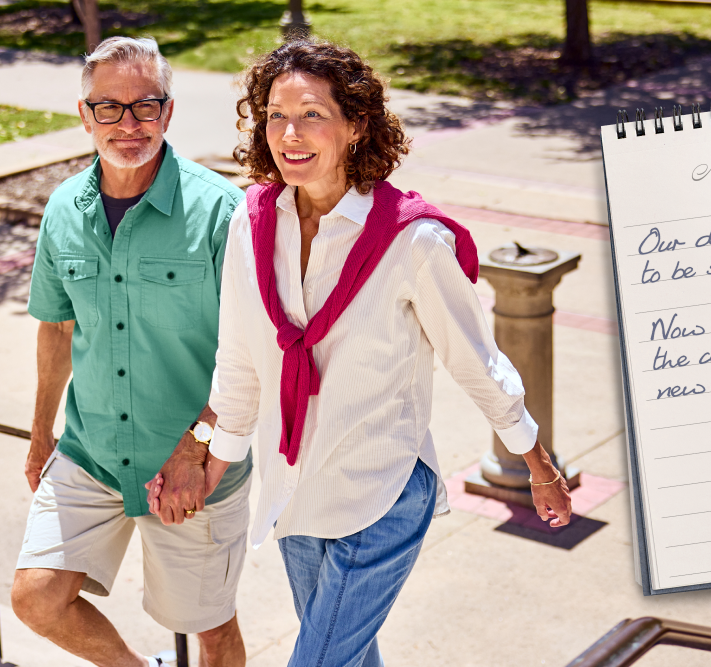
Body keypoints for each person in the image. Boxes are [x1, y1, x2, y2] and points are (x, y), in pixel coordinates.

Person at [153, 39, 574, 667]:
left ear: (356, 125)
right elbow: (241, 361)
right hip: (294, 492)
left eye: (312, 114)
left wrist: (537, 465)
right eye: (274, 115)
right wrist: (212, 462)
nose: (289, 134)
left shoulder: (414, 241)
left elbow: (476, 363)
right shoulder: (250, 223)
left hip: (381, 495)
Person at [14, 36, 253, 667]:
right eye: (109, 109)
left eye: (145, 106)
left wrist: (195, 446)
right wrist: (42, 433)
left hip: (193, 468)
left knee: (212, 630)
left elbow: (257, 351)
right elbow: (57, 329)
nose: (129, 124)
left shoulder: (223, 213)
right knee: (37, 597)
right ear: (85, 114)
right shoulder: (65, 208)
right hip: (89, 452)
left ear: (168, 112)